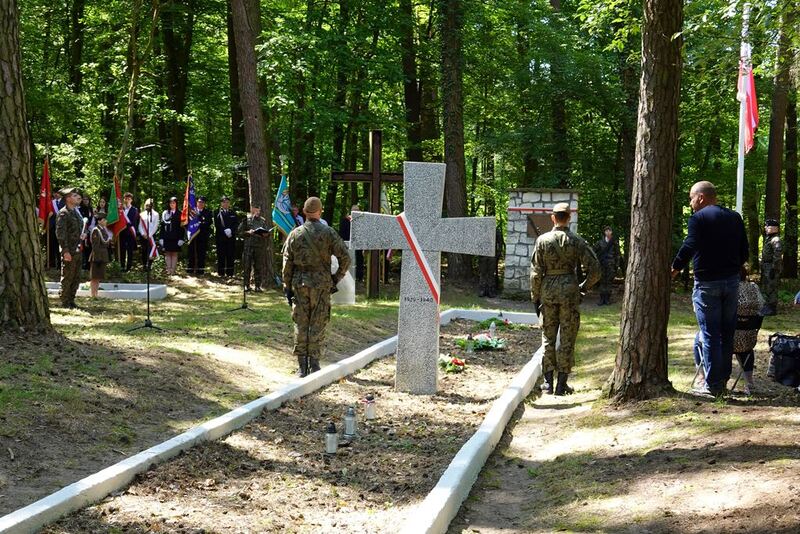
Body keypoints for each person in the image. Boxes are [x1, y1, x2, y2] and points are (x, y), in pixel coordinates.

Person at [672, 181, 749, 396]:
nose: (690, 203)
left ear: (701, 197)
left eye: (691, 198)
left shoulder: (698, 219)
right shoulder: (735, 217)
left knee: (710, 335)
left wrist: (675, 268)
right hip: (731, 283)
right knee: (726, 333)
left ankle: (713, 385)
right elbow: (745, 250)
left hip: (707, 284)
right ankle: (721, 381)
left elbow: (690, 245)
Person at [530, 202, 600, 395]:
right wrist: (583, 288)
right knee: (568, 338)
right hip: (569, 292)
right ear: (569, 218)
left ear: (553, 218)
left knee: (548, 337)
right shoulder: (577, 241)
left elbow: (535, 273)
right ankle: (561, 384)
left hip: (548, 292)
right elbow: (595, 270)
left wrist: (535, 297)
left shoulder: (542, 240)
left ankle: (548, 383)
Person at [283, 197, 351, 377]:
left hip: (300, 284)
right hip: (322, 284)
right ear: (320, 212)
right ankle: (314, 363)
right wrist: (335, 278)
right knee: (318, 322)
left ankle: (301, 366)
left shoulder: (295, 234)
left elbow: (287, 263)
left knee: (301, 322)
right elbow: (345, 258)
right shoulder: (328, 233)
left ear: (304, 212)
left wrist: (287, 286)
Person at [55, 188, 86, 309]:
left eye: (78, 195)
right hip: (69, 250)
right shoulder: (64, 213)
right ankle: (65, 301)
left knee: (76, 276)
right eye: (75, 195)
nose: (78, 197)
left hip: (78, 249)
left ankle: (71, 300)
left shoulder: (75, 213)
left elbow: (77, 230)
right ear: (68, 198)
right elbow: (61, 234)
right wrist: (65, 251)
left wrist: (82, 235)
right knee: (67, 276)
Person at [238, 205, 269, 291]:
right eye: (256, 211)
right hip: (248, 247)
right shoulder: (246, 220)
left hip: (259, 247)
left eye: (259, 211)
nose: (257, 213)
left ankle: (258, 286)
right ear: (252, 210)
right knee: (246, 266)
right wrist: (248, 232)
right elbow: (239, 232)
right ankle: (246, 285)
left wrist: (266, 234)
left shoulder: (263, 221)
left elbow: (267, 232)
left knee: (258, 267)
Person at [760, 218, 783, 316]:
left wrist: (774, 268)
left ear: (774, 228)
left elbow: (777, 255)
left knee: (771, 286)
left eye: (767, 226)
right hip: (767, 266)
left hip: (771, 266)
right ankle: (767, 305)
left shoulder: (775, 239)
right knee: (767, 286)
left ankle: (772, 307)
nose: (765, 228)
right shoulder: (769, 238)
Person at [593, 226, 621, 305]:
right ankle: (601, 299)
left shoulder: (614, 242)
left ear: (611, 232)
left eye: (609, 231)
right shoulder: (600, 242)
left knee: (609, 282)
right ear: (604, 232)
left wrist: (617, 265)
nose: (608, 232)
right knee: (602, 281)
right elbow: (593, 251)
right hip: (602, 264)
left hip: (611, 265)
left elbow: (617, 255)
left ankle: (607, 299)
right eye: (606, 231)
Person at [188, 196, 214, 275]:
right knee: (191, 253)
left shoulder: (208, 212)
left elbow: (208, 223)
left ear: (204, 204)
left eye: (202, 202)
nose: (200, 203)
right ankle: (190, 270)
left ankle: (200, 271)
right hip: (193, 235)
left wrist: (199, 224)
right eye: (199, 202)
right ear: (196, 202)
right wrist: (198, 224)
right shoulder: (192, 211)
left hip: (203, 236)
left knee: (201, 254)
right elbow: (188, 222)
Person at [338, 204, 364, 282]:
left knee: (359, 260)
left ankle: (359, 277)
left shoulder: (361, 221)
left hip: (358, 243)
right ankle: (348, 277)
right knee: (348, 260)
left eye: (357, 210)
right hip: (348, 243)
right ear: (351, 211)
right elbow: (342, 233)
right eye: (354, 210)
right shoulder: (345, 220)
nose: (356, 212)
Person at [159, 197, 185, 275]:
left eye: (173, 203)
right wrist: (161, 237)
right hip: (167, 237)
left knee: (174, 254)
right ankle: (168, 270)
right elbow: (162, 226)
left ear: (176, 204)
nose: (172, 204)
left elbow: (182, 227)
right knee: (167, 253)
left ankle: (173, 271)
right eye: (171, 203)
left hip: (176, 237)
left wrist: (181, 238)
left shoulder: (180, 214)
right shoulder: (165, 213)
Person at [89, 212, 112, 298]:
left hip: (103, 255)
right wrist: (97, 258)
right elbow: (95, 246)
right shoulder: (96, 230)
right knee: (94, 277)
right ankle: (93, 294)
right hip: (97, 256)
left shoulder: (103, 229)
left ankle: (96, 294)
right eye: (104, 219)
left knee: (98, 277)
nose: (106, 221)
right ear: (99, 221)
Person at [215, 196, 238, 277]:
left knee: (230, 255)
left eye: (227, 202)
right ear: (221, 203)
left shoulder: (233, 213)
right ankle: (221, 273)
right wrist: (224, 230)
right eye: (224, 202)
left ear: (229, 203)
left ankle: (230, 273)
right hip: (221, 238)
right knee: (221, 255)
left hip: (231, 238)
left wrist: (231, 230)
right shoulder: (217, 212)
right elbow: (217, 224)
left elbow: (236, 224)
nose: (226, 204)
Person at [120, 192, 139, 272]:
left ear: (131, 200)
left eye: (129, 199)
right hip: (122, 233)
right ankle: (122, 266)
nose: (127, 200)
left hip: (130, 233)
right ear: (124, 199)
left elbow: (133, 222)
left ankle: (129, 267)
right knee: (122, 250)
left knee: (130, 251)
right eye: (126, 199)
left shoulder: (135, 210)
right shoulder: (121, 210)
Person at [138, 198, 160, 269]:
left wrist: (149, 235)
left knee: (151, 250)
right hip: (143, 236)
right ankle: (144, 265)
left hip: (151, 236)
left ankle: (149, 265)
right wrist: (142, 233)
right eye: (147, 205)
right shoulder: (142, 214)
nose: (148, 206)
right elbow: (140, 226)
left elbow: (155, 226)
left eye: (150, 205)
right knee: (144, 250)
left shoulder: (156, 214)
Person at [79, 195, 95, 270]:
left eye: (87, 199)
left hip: (90, 230)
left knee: (89, 247)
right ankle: (83, 264)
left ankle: (89, 264)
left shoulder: (91, 209)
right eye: (84, 199)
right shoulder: (80, 208)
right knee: (83, 247)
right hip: (83, 229)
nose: (85, 201)